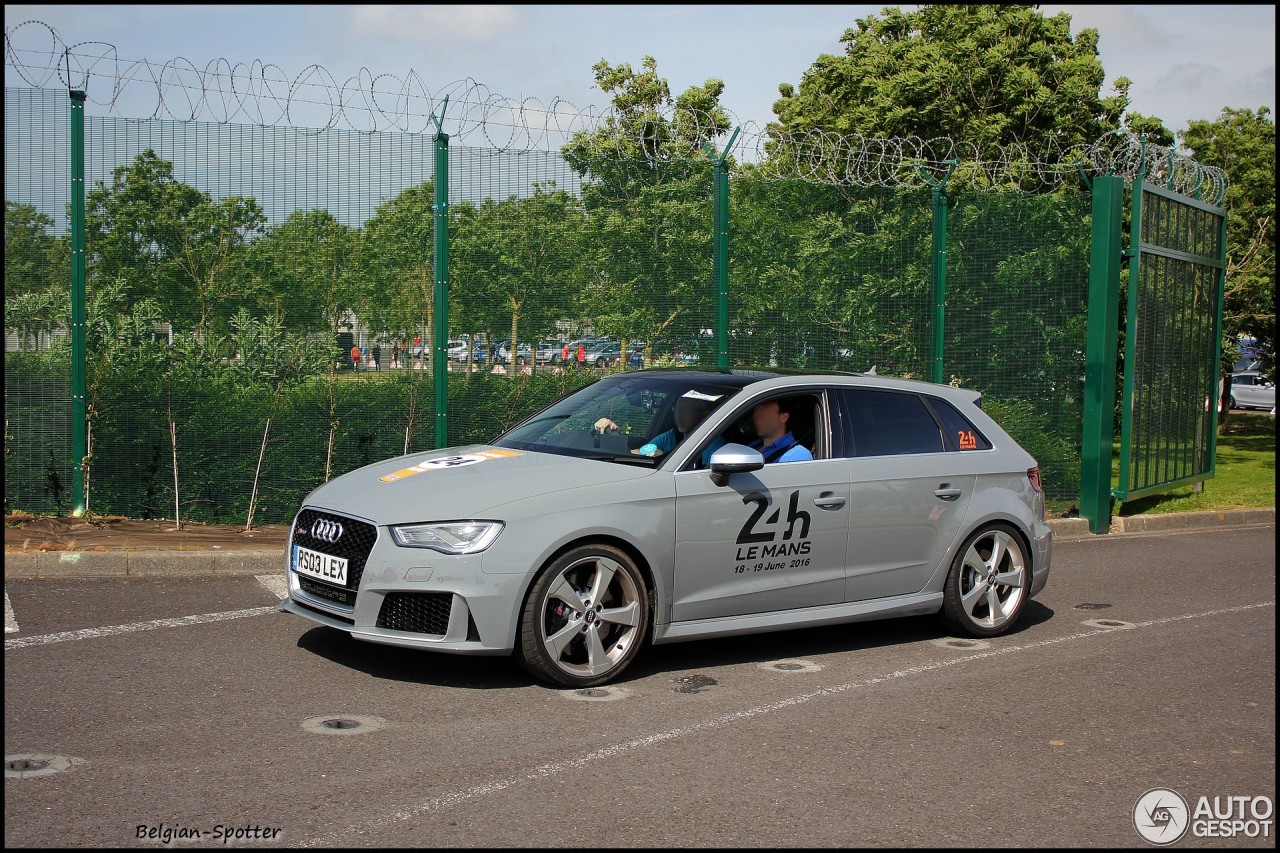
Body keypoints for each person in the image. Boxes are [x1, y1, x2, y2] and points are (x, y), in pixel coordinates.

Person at [594, 392, 725, 466]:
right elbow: (639, 452)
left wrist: (664, 458)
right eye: (677, 408)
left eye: (687, 409)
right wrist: (613, 431)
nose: (679, 414)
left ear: (704, 414)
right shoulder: (671, 436)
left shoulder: (714, 444)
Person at [748, 399, 813, 463]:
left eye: (764, 412)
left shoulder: (798, 456)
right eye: (755, 410)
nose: (756, 417)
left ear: (784, 417)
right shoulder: (753, 445)